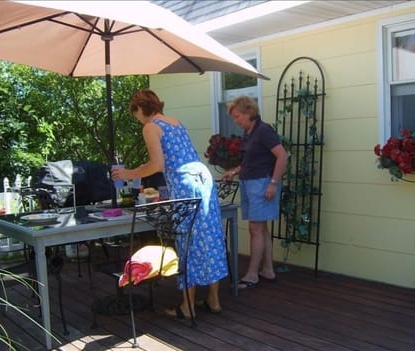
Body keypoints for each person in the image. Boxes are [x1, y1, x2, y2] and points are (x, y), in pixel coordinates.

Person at [112, 89, 227, 318]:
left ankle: (188, 306)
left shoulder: (150, 126)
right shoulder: (175, 122)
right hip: (203, 179)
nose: (137, 119)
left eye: (135, 113)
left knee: (187, 242)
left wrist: (128, 173)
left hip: (185, 184)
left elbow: (157, 164)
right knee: (210, 237)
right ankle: (213, 300)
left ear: (139, 109)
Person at [222, 96, 287, 289]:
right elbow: (250, 161)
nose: (236, 121)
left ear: (248, 112)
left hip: (262, 184)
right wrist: (233, 171)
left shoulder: (264, 130)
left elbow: (282, 156)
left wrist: (273, 183)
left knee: (255, 229)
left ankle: (252, 275)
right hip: (250, 183)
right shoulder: (249, 132)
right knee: (261, 228)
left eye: (237, 116)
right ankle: (268, 270)